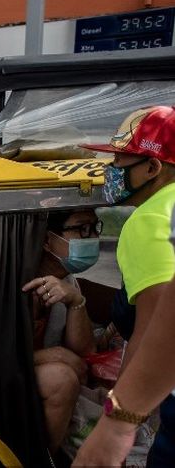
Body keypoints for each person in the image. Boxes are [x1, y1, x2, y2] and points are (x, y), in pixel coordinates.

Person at [71, 106, 175, 466]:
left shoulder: (149, 221)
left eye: (120, 162)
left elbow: (155, 329)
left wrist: (122, 419)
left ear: (152, 168)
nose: (111, 172)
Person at [22, 210, 102, 453]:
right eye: (81, 229)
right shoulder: (16, 278)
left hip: (27, 373)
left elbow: (86, 351)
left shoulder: (66, 280)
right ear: (47, 240)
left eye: (94, 228)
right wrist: (50, 355)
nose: (91, 238)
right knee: (62, 379)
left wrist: (75, 301)